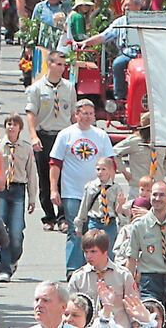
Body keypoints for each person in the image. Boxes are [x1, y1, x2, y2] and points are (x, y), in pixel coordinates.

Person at [50, 99, 115, 277]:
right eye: (83, 113)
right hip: (72, 191)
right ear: (76, 114)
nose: (87, 117)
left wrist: (112, 189)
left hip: (97, 193)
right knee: (75, 229)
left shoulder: (101, 135)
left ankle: (94, 267)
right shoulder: (65, 134)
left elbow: (111, 162)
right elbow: (55, 163)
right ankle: (73, 270)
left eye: (90, 113)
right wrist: (53, 189)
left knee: (94, 232)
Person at [26, 50, 77, 232]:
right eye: (59, 64)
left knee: (65, 177)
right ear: (50, 64)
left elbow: (72, 113)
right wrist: (33, 136)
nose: (62, 68)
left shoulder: (69, 87)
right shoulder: (37, 88)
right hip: (45, 134)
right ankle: (49, 216)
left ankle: (63, 216)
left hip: (64, 136)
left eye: (64, 65)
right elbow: (31, 114)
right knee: (45, 177)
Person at [127, 181, 166, 303]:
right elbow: (131, 259)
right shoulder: (139, 226)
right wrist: (129, 286)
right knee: (152, 317)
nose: (157, 198)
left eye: (161, 195)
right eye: (154, 194)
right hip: (150, 280)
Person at [0, 113, 37, 282]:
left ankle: (14, 258)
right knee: (2, 229)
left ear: (20, 128)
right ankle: (4, 268)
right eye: (8, 124)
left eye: (14, 124)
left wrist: (33, 197)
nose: (11, 127)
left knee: (16, 231)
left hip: (18, 189)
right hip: (1, 189)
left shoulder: (26, 148)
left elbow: (31, 173)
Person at [79, 0, 143, 100]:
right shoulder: (120, 22)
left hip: (148, 55)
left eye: (129, 5)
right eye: (124, 5)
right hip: (128, 55)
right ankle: (120, 97)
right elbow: (104, 36)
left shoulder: (148, 19)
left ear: (138, 7)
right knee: (118, 63)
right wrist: (86, 42)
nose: (125, 8)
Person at [69, 229, 137, 328]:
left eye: (93, 251)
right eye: (86, 252)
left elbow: (133, 307)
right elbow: (70, 307)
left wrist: (135, 324)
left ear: (105, 251)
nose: (88, 256)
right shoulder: (78, 277)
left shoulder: (123, 275)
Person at [114, 112, 166, 199]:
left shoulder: (160, 142)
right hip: (138, 189)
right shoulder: (134, 141)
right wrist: (125, 172)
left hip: (157, 189)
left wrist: (161, 173)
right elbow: (114, 153)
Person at [74, 158, 124, 258]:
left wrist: (122, 221)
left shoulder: (116, 188)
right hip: (94, 222)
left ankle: (107, 272)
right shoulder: (91, 186)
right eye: (98, 169)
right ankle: (94, 271)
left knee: (109, 251)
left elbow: (118, 210)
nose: (100, 172)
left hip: (110, 223)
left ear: (110, 170)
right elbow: (84, 206)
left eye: (103, 169)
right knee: (93, 249)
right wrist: (79, 225)